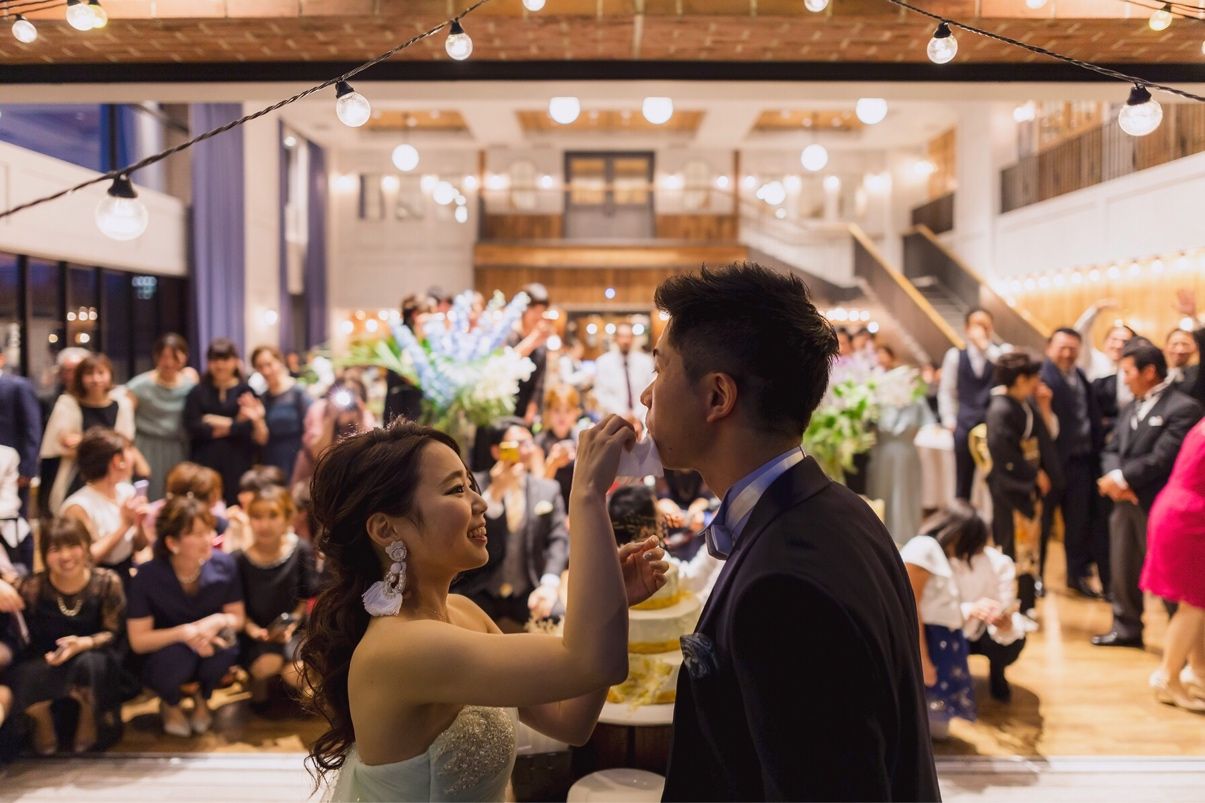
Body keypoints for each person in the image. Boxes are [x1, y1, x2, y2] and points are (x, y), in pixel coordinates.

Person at [644, 264, 939, 801]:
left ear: (717, 397)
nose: (646, 394)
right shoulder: (843, 509)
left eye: (660, 369)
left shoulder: (783, 588)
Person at [298, 419, 666, 801]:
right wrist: (587, 492)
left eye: (471, 484)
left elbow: (570, 721)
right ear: (386, 529)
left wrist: (615, 600)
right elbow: (590, 663)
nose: (481, 502)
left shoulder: (464, 613)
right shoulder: (401, 646)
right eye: (456, 489)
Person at [1094, 339, 1203, 649]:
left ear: (1149, 371)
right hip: (1124, 500)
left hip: (1159, 503)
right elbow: (1112, 448)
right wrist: (1114, 477)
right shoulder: (1131, 405)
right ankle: (1126, 627)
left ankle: (1185, 644)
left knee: (1169, 575)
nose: (1124, 378)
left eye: (1128, 371)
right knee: (1122, 565)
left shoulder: (1184, 408)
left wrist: (1124, 478)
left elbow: (1165, 456)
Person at [5, 519, 127, 754]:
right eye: (55, 549)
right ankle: (42, 717)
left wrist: (83, 643)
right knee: (21, 673)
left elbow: (113, 633)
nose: (65, 556)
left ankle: (88, 715)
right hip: (47, 659)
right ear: (44, 554)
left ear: (86, 547)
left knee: (93, 665)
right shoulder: (33, 586)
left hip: (90, 654)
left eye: (73, 546)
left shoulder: (106, 582)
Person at [127, 494, 245, 737]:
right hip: (164, 654)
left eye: (209, 531)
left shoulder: (224, 565)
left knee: (226, 646)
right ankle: (170, 703)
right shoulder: (147, 576)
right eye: (196, 534)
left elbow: (238, 618)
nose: (208, 539)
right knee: (179, 656)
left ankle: (203, 698)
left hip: (207, 644)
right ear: (172, 543)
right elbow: (138, 641)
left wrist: (216, 621)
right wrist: (184, 634)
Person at [451, 422, 569, 630]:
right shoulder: (474, 487)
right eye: (517, 444)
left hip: (528, 587)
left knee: (557, 619)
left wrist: (549, 584)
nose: (526, 450)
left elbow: (558, 539)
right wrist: (495, 492)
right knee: (456, 626)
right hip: (482, 587)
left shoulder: (548, 489)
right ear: (497, 451)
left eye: (529, 443)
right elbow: (465, 534)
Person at [984, 352, 1059, 614]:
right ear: (1020, 379)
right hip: (1011, 488)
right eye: (1034, 377)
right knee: (1012, 546)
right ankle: (1012, 604)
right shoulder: (1001, 409)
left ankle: (1025, 601)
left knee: (1028, 548)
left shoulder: (1023, 404)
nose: (1038, 381)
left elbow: (1044, 438)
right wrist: (1033, 474)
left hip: (1026, 484)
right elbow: (1003, 452)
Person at [234, 486, 318, 710]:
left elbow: (305, 597)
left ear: (287, 518)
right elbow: (237, 608)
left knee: (296, 674)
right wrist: (256, 632)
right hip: (254, 632)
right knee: (265, 666)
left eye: (273, 516)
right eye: (257, 516)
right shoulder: (239, 559)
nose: (265, 524)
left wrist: (291, 624)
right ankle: (258, 685)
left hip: (294, 629)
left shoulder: (300, 549)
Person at [1141, 417, 1205, 711]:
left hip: (1178, 510)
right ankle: (1168, 677)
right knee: (1193, 603)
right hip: (1189, 518)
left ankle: (1199, 671)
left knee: (1197, 601)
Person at [1039, 328, 1107, 598]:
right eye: (1062, 348)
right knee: (1043, 523)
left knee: (1078, 523)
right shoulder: (1041, 377)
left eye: (1072, 348)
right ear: (1049, 348)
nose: (1067, 353)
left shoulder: (1079, 376)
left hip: (1081, 463)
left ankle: (1076, 576)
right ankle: (1036, 577)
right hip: (1050, 465)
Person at [901, 514, 978, 738]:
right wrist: (922, 658)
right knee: (924, 724)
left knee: (936, 727)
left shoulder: (935, 552)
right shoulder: (924, 547)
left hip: (942, 642)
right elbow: (910, 604)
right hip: (930, 642)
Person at [40, 353, 138, 515]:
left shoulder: (122, 405)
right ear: (80, 377)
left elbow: (124, 442)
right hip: (77, 474)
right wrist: (107, 442)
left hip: (113, 473)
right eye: (89, 374)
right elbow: (63, 442)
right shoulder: (68, 403)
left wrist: (83, 440)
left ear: (110, 375)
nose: (95, 379)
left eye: (101, 373)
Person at [59, 428, 149, 587]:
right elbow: (86, 559)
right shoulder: (78, 506)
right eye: (129, 450)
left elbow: (140, 546)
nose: (134, 457)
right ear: (117, 460)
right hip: (95, 584)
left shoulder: (127, 492)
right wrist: (125, 525)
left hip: (125, 576)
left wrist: (139, 522)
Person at [184, 339, 267, 508]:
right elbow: (193, 426)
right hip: (204, 462)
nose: (220, 365)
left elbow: (249, 428)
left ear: (235, 361)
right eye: (215, 359)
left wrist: (216, 421)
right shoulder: (197, 392)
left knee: (238, 506)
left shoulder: (246, 391)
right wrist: (236, 424)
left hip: (239, 461)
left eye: (225, 359)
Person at [939, 308, 1005, 502]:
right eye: (977, 325)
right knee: (962, 481)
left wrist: (985, 346)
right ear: (967, 328)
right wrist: (949, 420)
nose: (982, 329)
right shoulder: (955, 356)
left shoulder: (1000, 353)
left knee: (996, 479)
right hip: (964, 423)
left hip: (993, 424)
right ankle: (963, 517)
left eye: (986, 325)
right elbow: (947, 390)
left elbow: (1006, 370)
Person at [866, 358, 934, 545]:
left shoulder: (916, 401)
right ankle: (881, 537)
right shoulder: (879, 401)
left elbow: (927, 425)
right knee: (883, 494)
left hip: (905, 455)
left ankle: (905, 538)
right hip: (884, 455)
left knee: (904, 496)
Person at [126, 334, 197, 501]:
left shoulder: (191, 386)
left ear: (185, 357)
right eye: (164, 356)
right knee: (149, 496)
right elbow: (124, 423)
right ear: (156, 356)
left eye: (175, 357)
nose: (169, 362)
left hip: (178, 448)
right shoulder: (138, 386)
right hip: (146, 448)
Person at [291, 379, 376, 491]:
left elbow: (368, 455)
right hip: (311, 479)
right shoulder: (319, 409)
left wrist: (358, 420)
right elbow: (319, 455)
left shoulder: (363, 415)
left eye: (352, 394)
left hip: (345, 483)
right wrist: (331, 418)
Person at [36, 347, 90, 517]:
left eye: (78, 369)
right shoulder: (48, 400)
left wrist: (82, 441)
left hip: (91, 465)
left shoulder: (102, 400)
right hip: (54, 464)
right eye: (68, 370)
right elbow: (57, 440)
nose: (73, 375)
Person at [251, 345, 312, 480]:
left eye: (269, 364)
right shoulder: (262, 398)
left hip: (296, 458)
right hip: (270, 460)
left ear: (279, 362)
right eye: (260, 367)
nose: (266, 371)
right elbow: (261, 439)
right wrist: (257, 419)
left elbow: (311, 428)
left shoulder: (297, 392)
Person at [0, 350, 41, 521]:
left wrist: (27, 468)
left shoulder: (18, 386)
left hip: (14, 466)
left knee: (16, 518)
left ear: (1, 359)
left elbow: (32, 428)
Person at [535, 385, 588, 506]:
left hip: (577, 503)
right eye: (556, 410)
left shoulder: (582, 438)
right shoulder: (540, 441)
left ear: (576, 412)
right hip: (549, 503)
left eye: (567, 410)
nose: (562, 416)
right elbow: (538, 488)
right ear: (548, 412)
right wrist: (552, 463)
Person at [593, 323, 656, 423]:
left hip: (642, 418)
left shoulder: (646, 362)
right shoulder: (603, 362)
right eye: (622, 336)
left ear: (633, 339)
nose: (626, 341)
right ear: (615, 338)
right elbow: (602, 394)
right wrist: (624, 415)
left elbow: (651, 390)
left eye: (628, 336)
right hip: (614, 418)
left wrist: (635, 415)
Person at [508, 283, 552, 424]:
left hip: (527, 414)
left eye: (542, 310)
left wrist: (531, 413)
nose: (538, 315)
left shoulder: (542, 345)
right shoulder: (508, 335)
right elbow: (507, 364)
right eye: (534, 309)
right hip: (504, 407)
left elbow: (539, 385)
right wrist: (533, 339)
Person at [1164, 328, 1201, 404]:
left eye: (1185, 344)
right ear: (1166, 347)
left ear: (1195, 347)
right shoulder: (1156, 374)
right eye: (1175, 344)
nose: (1180, 350)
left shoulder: (1199, 375)